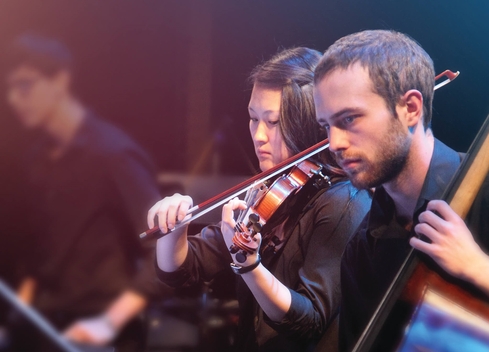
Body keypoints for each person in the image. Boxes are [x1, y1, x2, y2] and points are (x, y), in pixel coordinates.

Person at [147, 47, 371, 352]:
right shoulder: (267, 192)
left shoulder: (344, 202)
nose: (259, 135)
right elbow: (181, 272)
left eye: (273, 122)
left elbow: (310, 321)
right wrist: (173, 229)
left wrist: (250, 266)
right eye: (253, 119)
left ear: (308, 122)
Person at [313, 29, 489, 351]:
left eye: (349, 118)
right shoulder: (361, 251)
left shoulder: (484, 189)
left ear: (410, 108)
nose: (334, 143)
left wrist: (479, 268)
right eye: (326, 126)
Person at [3, 33, 163, 351]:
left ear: (60, 82)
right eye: (9, 88)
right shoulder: (37, 159)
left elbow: (163, 252)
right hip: (48, 328)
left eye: (25, 85)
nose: (13, 99)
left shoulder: (113, 153)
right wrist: (12, 324)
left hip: (105, 333)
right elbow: (40, 261)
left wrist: (109, 323)